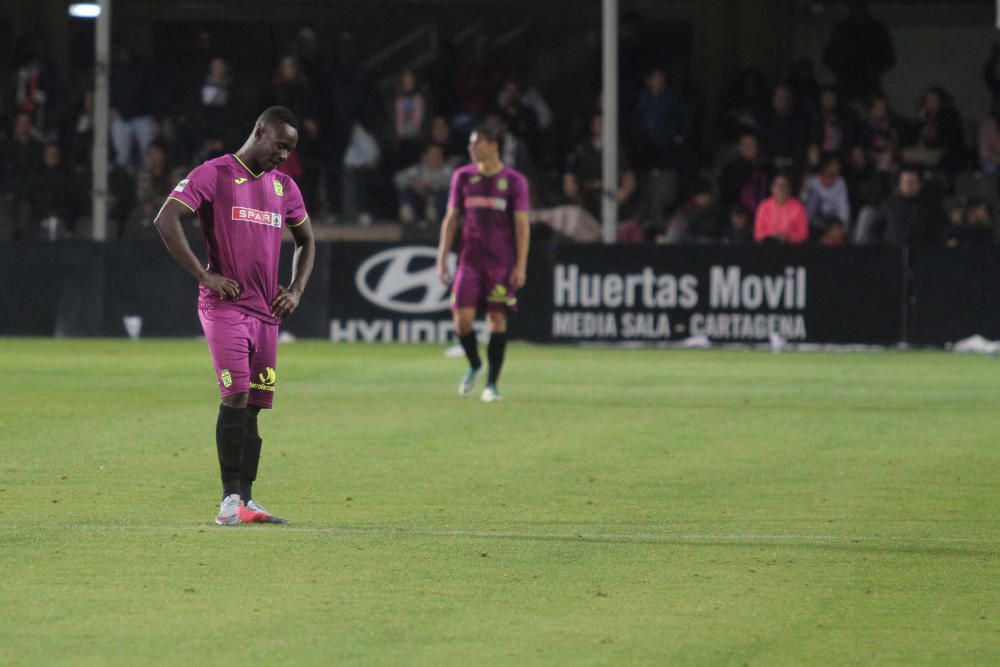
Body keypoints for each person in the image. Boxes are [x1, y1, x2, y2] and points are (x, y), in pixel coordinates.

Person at [153, 106, 315, 526]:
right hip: (224, 307)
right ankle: (228, 502)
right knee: (237, 396)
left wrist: (295, 290)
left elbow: (307, 242)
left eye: (291, 149)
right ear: (259, 131)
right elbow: (166, 219)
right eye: (280, 145)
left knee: (255, 407)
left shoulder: (285, 187)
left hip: (266, 313)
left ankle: (247, 499)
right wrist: (205, 275)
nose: (284, 155)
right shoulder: (215, 173)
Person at [436, 124, 530, 403]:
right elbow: (451, 219)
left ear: (493, 145)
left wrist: (521, 265)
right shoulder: (462, 177)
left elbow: (522, 226)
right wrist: (442, 257)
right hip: (469, 262)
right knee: (462, 321)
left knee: (496, 319)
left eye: (475, 143)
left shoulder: (514, 181)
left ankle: (492, 385)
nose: (470, 148)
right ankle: (476, 364)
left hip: (500, 264)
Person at [754, 173, 808, 244]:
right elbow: (758, 234)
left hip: (792, 248)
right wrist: (773, 236)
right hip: (768, 247)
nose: (781, 188)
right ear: (772, 188)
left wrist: (788, 237)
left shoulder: (798, 207)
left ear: (790, 189)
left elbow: (803, 234)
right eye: (778, 185)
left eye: (784, 185)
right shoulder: (764, 206)